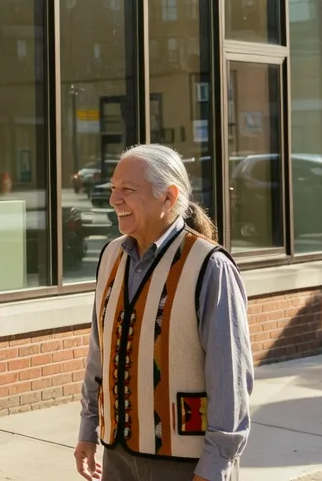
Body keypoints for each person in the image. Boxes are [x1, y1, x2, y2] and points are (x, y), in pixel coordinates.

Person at [73, 144, 253, 481]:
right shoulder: (112, 256)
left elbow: (231, 381)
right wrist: (88, 429)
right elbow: (99, 353)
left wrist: (216, 467)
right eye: (113, 189)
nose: (114, 200)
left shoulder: (209, 266)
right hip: (118, 455)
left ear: (168, 197)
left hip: (185, 464)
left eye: (127, 190)